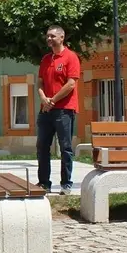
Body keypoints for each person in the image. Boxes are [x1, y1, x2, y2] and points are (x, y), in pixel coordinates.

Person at [37, 25, 80, 194]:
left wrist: (53, 100)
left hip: (64, 110)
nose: (49, 39)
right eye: (48, 36)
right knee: (42, 146)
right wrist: (43, 98)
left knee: (65, 147)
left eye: (53, 36)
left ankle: (66, 184)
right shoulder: (46, 59)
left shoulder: (71, 57)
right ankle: (44, 183)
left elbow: (71, 84)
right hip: (46, 110)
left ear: (62, 37)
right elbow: (40, 82)